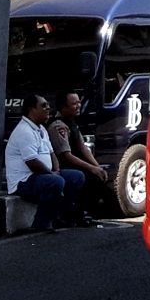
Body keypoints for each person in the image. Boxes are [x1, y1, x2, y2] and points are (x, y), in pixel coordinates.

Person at [4, 93, 85, 233]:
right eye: (43, 106)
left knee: (77, 177)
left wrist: (57, 170)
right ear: (31, 109)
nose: (48, 108)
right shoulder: (24, 131)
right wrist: (53, 175)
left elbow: (52, 153)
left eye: (48, 105)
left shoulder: (41, 128)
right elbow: (32, 162)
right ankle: (41, 223)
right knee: (56, 182)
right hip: (23, 181)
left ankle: (59, 216)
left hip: (42, 175)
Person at [49, 90, 108, 222]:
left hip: (76, 164)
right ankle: (76, 214)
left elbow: (83, 148)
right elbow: (65, 155)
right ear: (63, 107)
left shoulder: (72, 123)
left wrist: (97, 167)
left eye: (79, 103)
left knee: (99, 176)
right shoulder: (58, 126)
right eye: (74, 104)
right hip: (65, 166)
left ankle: (87, 212)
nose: (78, 106)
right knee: (87, 177)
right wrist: (91, 169)